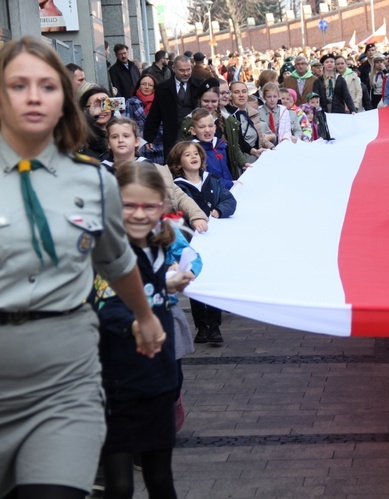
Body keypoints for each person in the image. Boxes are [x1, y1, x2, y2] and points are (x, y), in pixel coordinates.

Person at [0, 36, 165, 499]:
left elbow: (114, 259)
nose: (34, 96)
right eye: (18, 85)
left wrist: (145, 316)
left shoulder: (94, 178)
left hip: (64, 378)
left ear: (63, 102)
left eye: (47, 86)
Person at [95, 162, 190, 499]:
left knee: (161, 479)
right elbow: (104, 304)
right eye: (128, 205)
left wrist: (170, 283)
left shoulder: (161, 245)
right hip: (116, 382)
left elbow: (151, 289)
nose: (139, 214)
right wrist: (135, 322)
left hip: (159, 379)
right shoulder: (106, 251)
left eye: (149, 206)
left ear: (162, 206)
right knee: (119, 486)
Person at [169, 142, 236, 343]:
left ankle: (215, 327)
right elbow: (177, 211)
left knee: (212, 282)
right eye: (187, 155)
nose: (193, 157)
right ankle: (201, 327)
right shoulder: (178, 187)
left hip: (212, 240)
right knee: (195, 280)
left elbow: (230, 201)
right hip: (192, 241)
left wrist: (218, 211)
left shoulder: (212, 180)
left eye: (196, 153)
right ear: (179, 162)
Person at [104, 117, 209, 232]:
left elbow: (178, 196)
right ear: (108, 143)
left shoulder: (154, 169)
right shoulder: (100, 173)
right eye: (115, 137)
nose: (120, 140)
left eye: (126, 136)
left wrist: (196, 216)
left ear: (137, 141)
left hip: (160, 230)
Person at [144, 55, 205, 158]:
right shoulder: (162, 89)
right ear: (174, 69)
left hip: (196, 136)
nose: (186, 73)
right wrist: (149, 138)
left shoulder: (200, 84)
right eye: (182, 70)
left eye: (188, 70)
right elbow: (155, 115)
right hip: (172, 137)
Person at [225, 81, 273, 162]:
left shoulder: (254, 112)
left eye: (244, 91)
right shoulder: (227, 116)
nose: (241, 95)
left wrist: (272, 147)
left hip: (256, 156)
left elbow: (260, 137)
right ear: (230, 95)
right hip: (239, 160)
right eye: (236, 92)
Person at [124, 73, 165, 165]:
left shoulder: (161, 101)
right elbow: (126, 124)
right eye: (143, 84)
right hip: (140, 144)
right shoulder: (130, 103)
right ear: (139, 86)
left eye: (150, 85)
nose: (147, 87)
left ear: (154, 88)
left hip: (159, 142)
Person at [79, 86, 113, 160]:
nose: (101, 110)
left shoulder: (119, 129)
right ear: (84, 109)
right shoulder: (79, 135)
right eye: (95, 105)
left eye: (105, 105)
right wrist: (90, 117)